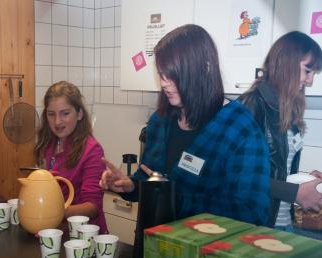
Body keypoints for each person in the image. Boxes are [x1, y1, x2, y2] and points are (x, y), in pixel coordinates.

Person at [100, 24, 271, 226]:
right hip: (151, 245)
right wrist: (131, 186)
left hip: (204, 253)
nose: (164, 83)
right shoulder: (160, 121)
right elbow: (150, 178)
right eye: (162, 73)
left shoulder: (239, 129)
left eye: (173, 74)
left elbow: (251, 211)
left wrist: (173, 198)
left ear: (205, 68)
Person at [239, 31, 322, 238]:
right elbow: (239, 176)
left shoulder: (289, 108)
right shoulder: (252, 105)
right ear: (287, 64)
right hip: (255, 226)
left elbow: (278, 170)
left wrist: (304, 182)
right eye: (307, 71)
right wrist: (296, 193)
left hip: (283, 223)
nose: (310, 81)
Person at [35, 81, 108, 234]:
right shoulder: (48, 145)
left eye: (65, 113)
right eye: (51, 114)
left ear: (79, 114)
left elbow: (93, 207)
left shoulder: (92, 150)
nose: (57, 121)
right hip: (55, 232)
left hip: (84, 237)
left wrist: (52, 214)